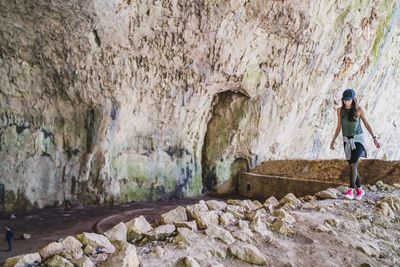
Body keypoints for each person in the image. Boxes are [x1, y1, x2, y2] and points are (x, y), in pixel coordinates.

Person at [330, 89, 380, 200]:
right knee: (353, 165)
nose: (346, 102)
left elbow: (366, 124)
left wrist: (374, 138)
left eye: (348, 100)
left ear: (353, 99)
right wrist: (333, 140)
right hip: (346, 141)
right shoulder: (340, 111)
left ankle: (350, 190)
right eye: (344, 100)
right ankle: (360, 190)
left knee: (353, 163)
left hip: (358, 140)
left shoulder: (359, 110)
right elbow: (339, 126)